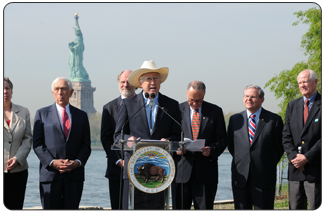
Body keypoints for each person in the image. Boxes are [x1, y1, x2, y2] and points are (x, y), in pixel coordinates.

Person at [114, 60, 181, 209]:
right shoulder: (128, 104)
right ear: (140, 82)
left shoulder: (171, 105)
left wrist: (168, 140)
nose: (153, 82)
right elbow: (118, 135)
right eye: (149, 78)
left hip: (160, 167)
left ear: (160, 82)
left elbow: (178, 136)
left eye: (156, 78)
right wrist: (128, 139)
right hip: (134, 168)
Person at [33, 77, 91, 209]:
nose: (60, 92)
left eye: (64, 89)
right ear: (52, 92)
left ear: (71, 92)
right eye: (57, 89)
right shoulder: (42, 114)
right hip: (50, 176)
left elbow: (86, 145)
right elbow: (37, 144)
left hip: (74, 176)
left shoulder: (81, 116)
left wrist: (77, 162)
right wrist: (53, 162)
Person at [172, 81, 227, 209]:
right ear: (186, 94)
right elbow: (170, 136)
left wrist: (211, 150)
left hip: (206, 172)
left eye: (199, 100)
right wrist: (176, 149)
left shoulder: (215, 111)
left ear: (204, 95)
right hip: (181, 171)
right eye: (191, 100)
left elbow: (222, 140)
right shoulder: (176, 110)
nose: (195, 104)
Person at [227, 84, 284, 209]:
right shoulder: (235, 120)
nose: (249, 99)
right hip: (240, 176)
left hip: (264, 176)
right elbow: (232, 146)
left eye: (253, 97)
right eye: (246, 96)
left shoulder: (274, 120)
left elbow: (279, 148)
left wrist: (266, 162)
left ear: (262, 99)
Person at [282, 70, 321, 209]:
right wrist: (295, 158)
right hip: (295, 170)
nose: (302, 85)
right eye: (299, 83)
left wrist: (307, 157)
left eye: (305, 81)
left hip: (316, 170)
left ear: (315, 82)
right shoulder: (292, 106)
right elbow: (286, 136)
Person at [101, 70, 136, 209]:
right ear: (118, 83)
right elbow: (105, 139)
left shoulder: (144, 105)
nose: (126, 85)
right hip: (117, 168)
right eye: (122, 81)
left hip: (142, 165)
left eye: (129, 81)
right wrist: (118, 160)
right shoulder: (108, 108)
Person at [3, 77, 32, 209]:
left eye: (7, 88)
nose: (5, 91)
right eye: (2, 88)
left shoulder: (23, 112)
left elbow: (27, 139)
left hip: (18, 171)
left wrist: (17, 158)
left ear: (12, 91)